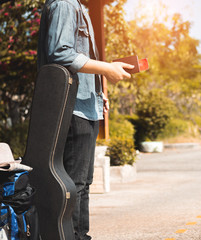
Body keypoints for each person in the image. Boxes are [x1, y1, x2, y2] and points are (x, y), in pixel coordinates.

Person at [37, 0, 133, 239]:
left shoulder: (80, 7)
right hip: (72, 107)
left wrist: (99, 94)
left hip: (87, 105)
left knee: (84, 181)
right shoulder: (64, 4)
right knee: (74, 182)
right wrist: (106, 69)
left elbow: (81, 58)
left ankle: (81, 235)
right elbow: (59, 52)